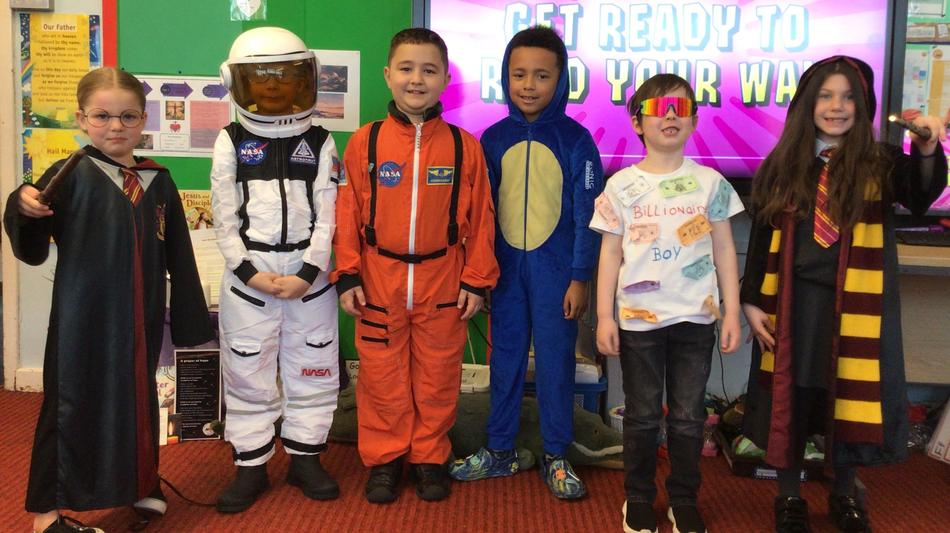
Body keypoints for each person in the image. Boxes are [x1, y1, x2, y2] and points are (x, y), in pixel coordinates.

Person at [740, 56, 947, 533]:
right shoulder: (783, 165)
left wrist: (927, 148)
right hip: (794, 303)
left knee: (848, 395)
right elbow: (761, 239)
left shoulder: (881, 163)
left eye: (849, 97)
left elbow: (920, 194)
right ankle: (789, 495)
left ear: (865, 104)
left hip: (856, 305)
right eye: (826, 96)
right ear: (807, 104)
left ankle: (846, 492)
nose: (837, 106)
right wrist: (751, 301)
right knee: (792, 398)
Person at [4, 67, 214, 533]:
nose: (115, 126)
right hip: (84, 314)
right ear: (82, 119)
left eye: (128, 116)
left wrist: (189, 321)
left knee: (135, 400)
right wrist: (23, 205)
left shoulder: (157, 180)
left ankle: (138, 483)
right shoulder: (69, 173)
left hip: (139, 317)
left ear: (143, 120)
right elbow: (31, 235)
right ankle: (47, 514)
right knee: (71, 403)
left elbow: (179, 251)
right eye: (102, 116)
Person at [332, 27, 499, 504]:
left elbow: (481, 218)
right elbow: (347, 212)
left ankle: (428, 457)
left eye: (429, 70)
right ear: (388, 75)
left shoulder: (465, 146)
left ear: (445, 79)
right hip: (378, 279)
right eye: (406, 69)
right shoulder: (365, 143)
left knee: (438, 376)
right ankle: (385, 459)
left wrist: (476, 280)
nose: (416, 79)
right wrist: (347, 274)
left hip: (442, 280)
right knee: (381, 377)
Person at [448, 25, 603, 500]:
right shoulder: (491, 140)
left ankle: (556, 454)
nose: (529, 85)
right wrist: (481, 275)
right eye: (519, 75)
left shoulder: (577, 141)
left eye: (542, 75)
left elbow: (588, 215)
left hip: (559, 276)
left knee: (556, 363)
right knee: (505, 360)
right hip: (506, 275)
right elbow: (479, 216)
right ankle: (500, 449)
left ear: (561, 80)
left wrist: (580, 278)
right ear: (505, 77)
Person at [592, 73, 744, 533]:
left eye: (681, 108)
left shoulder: (710, 182)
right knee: (641, 415)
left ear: (694, 120)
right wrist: (604, 316)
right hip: (638, 322)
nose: (671, 116)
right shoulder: (621, 185)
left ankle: (683, 499)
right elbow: (610, 253)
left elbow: (724, 249)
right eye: (659, 108)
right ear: (638, 123)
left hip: (696, 319)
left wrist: (732, 310)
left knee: (688, 417)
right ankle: (638, 497)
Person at [211, 27, 342, 513]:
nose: (271, 86)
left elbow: (329, 214)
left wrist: (309, 270)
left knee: (314, 366)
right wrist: (247, 271)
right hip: (250, 275)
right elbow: (224, 216)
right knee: (248, 370)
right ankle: (251, 464)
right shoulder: (231, 140)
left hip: (310, 275)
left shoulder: (321, 141)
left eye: (284, 77)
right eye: (261, 77)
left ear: (305, 80)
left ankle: (306, 457)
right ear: (237, 83)